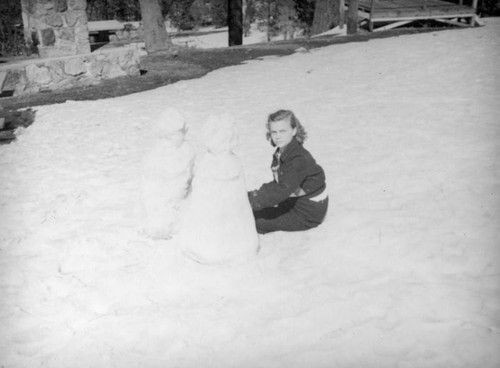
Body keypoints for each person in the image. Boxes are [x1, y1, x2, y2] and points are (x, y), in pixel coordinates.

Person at [248, 109, 328, 234]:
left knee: (256, 221)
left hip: (307, 213)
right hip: (294, 200)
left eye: (282, 131)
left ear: (294, 130)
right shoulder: (283, 152)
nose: (278, 136)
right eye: (274, 132)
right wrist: (255, 194)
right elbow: (281, 182)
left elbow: (282, 190)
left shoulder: (298, 160)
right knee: (257, 211)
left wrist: (252, 201)